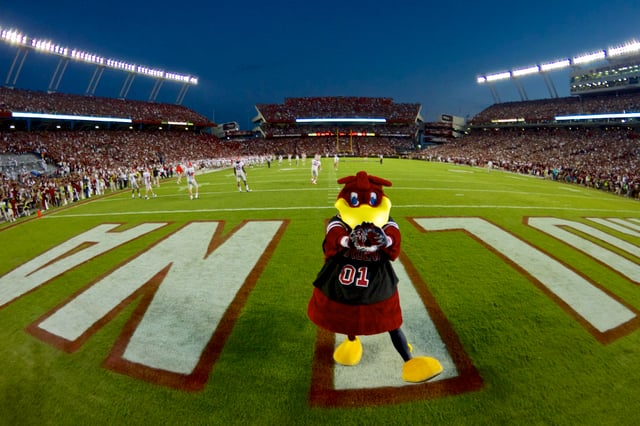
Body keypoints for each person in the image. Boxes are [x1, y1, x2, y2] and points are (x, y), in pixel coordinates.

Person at [307, 171, 443, 383]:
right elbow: (332, 239)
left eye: (371, 200)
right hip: (346, 283)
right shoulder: (339, 221)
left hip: (375, 285)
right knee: (347, 317)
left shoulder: (385, 222)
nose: (364, 207)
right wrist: (348, 241)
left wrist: (384, 240)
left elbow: (394, 243)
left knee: (391, 323)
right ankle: (352, 341)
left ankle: (409, 360)